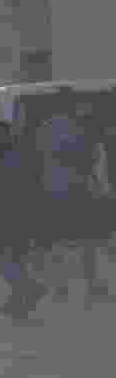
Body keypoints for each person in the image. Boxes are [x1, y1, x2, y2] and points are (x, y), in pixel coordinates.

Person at [34, 103, 111, 303]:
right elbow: (86, 164)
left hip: (63, 191)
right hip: (75, 192)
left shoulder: (48, 129)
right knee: (82, 243)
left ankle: (66, 288)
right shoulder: (78, 136)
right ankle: (84, 286)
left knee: (70, 244)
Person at [0, 121, 48, 319]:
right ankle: (18, 301)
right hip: (12, 213)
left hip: (12, 214)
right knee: (14, 259)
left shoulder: (11, 156)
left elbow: (15, 187)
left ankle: (29, 288)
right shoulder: (3, 155)